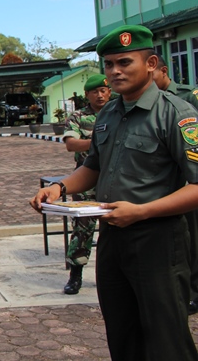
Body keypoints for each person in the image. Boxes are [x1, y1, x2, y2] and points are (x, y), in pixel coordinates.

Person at [30, 24, 198, 361]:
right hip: (113, 238)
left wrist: (142, 211)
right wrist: (59, 188)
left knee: (167, 341)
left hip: (158, 241)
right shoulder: (108, 114)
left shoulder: (176, 114)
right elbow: (92, 168)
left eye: (124, 63)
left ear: (151, 63)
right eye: (109, 65)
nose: (114, 72)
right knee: (122, 335)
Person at [153, 53, 198, 314]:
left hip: (189, 179)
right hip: (169, 183)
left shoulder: (187, 96)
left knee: (193, 239)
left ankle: (193, 292)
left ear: (163, 71)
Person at [61, 74, 111, 295]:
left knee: (116, 228)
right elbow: (71, 144)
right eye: (95, 92)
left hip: (114, 180)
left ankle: (113, 274)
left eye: (103, 90)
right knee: (83, 229)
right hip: (86, 181)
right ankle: (75, 275)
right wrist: (98, 142)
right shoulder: (78, 117)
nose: (100, 95)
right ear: (87, 95)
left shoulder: (119, 113)